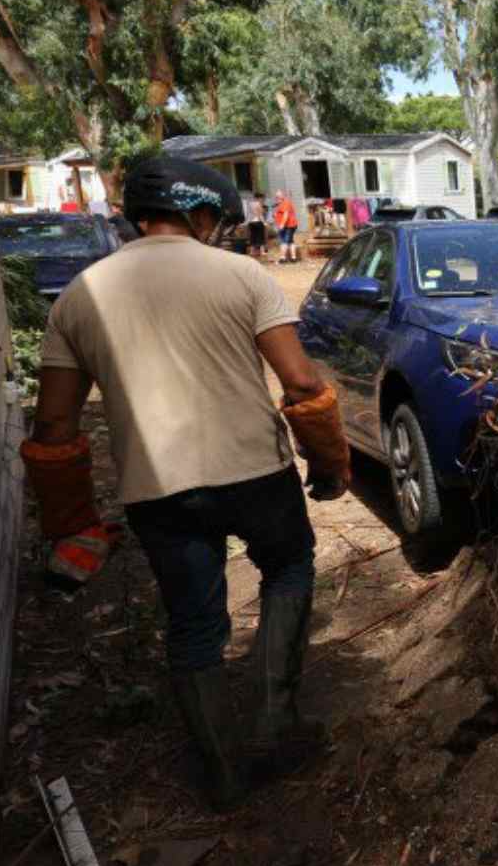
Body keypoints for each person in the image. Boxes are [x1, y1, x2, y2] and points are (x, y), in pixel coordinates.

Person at [20, 157, 351, 810]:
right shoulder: (242, 274)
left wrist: (73, 523)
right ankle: (274, 722)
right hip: (256, 470)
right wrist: (331, 461)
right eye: (215, 219)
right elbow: (304, 382)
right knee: (287, 569)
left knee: (194, 624)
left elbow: (54, 422)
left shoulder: (80, 294)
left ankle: (222, 772)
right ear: (199, 213)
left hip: (156, 488)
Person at [272, 188, 299, 264]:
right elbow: (281, 213)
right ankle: (294, 258)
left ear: (282, 197)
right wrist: (276, 215)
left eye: (277, 196)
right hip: (289, 225)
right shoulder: (281, 204)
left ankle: (282, 258)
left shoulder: (285, 203)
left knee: (284, 241)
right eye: (276, 196)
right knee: (290, 241)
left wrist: (282, 224)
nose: (276, 198)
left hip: (288, 225)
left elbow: (286, 214)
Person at [245, 192, 267, 261]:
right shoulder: (258, 204)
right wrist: (264, 222)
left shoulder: (250, 203)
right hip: (258, 222)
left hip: (251, 222)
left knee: (253, 237)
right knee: (260, 237)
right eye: (263, 198)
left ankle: (252, 251)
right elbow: (259, 214)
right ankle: (262, 251)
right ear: (259, 198)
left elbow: (248, 214)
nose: (263, 200)